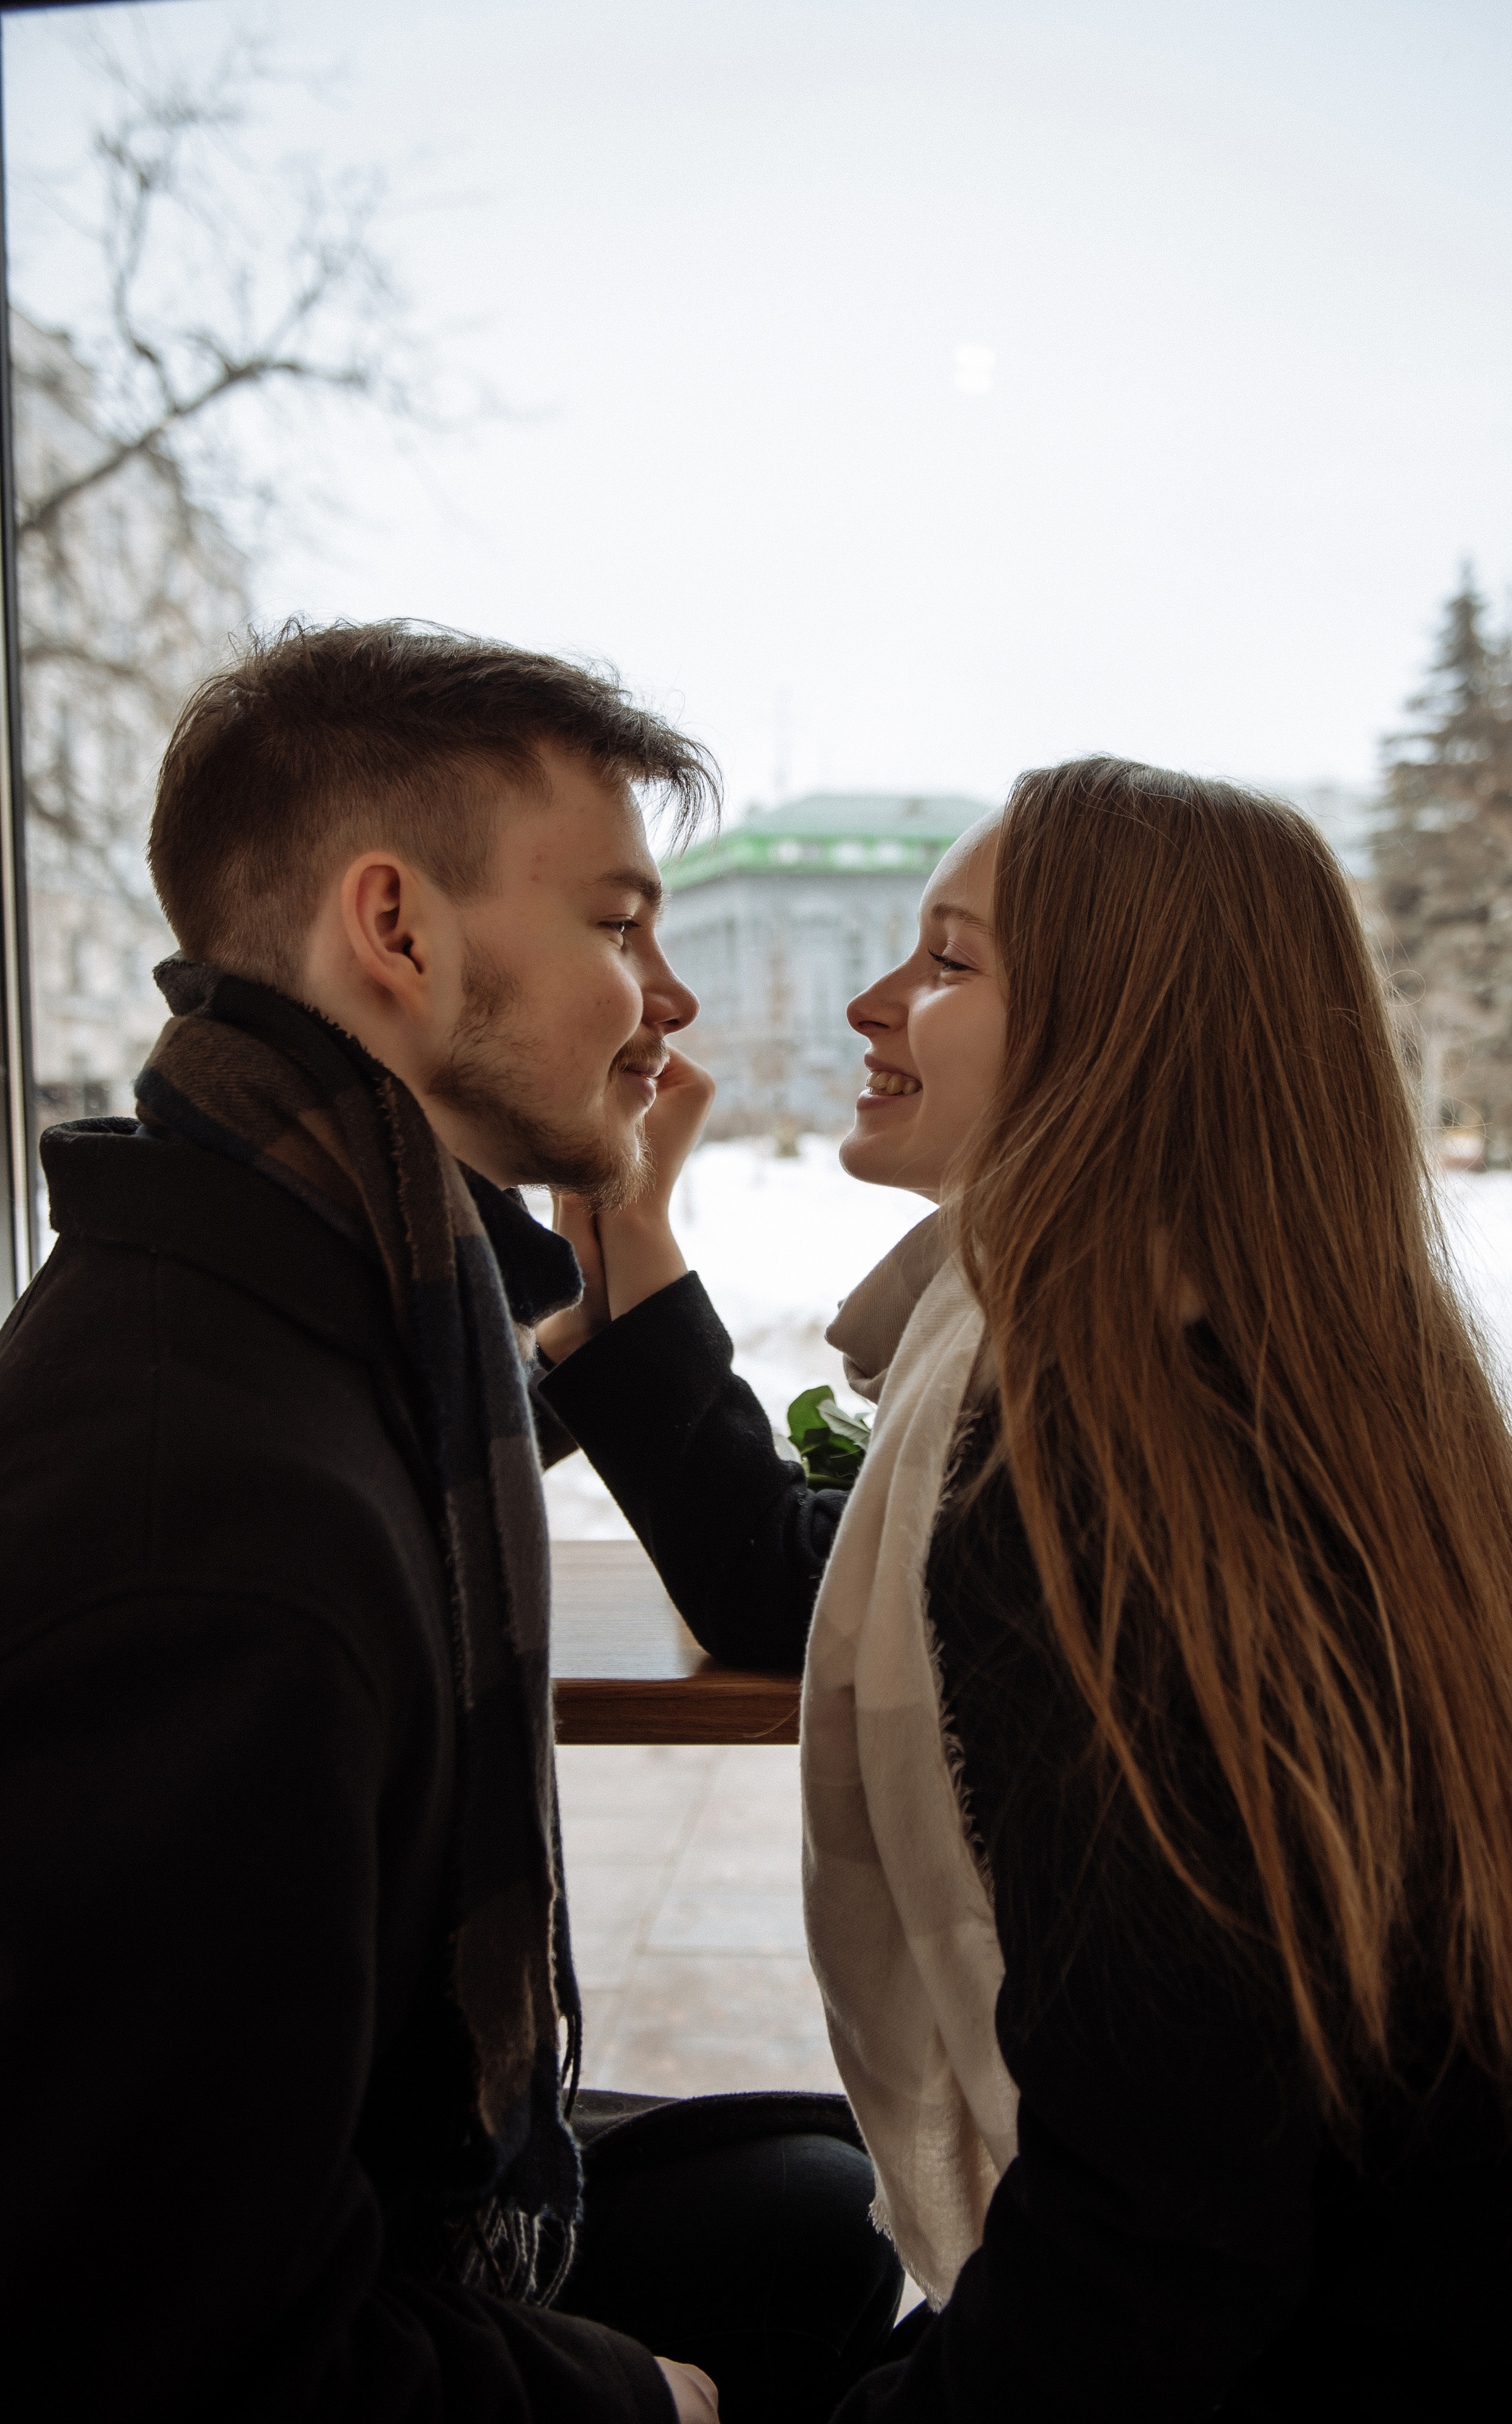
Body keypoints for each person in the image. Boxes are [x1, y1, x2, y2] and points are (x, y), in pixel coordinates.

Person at [537, 756, 1512, 2418]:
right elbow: (802, 1592)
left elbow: (1153, 2260)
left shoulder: (1090, 1479)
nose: (867, 1000)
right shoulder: (1235, 1378)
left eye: (950, 961)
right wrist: (633, 1227)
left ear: (1124, 1038)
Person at [0, 621, 903, 2423]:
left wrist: (626, 1223)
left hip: (375, 2215)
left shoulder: (314, 1324)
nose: (670, 997)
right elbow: (179, 2347)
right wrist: (641, 2399)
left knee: (822, 2211)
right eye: (615, 922)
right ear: (396, 929)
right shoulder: (214, 1538)